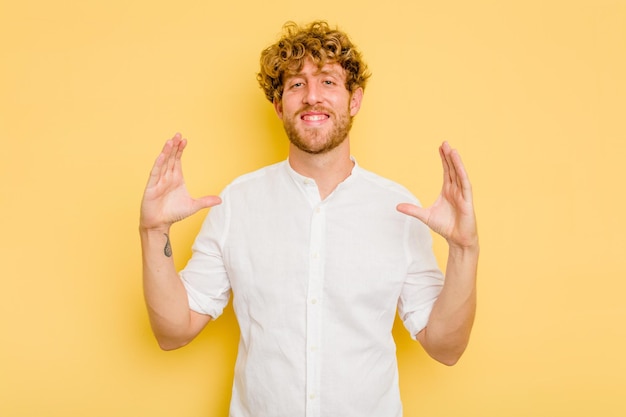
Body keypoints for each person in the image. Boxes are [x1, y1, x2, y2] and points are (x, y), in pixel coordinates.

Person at [140, 20, 478, 417]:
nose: (311, 96)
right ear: (279, 105)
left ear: (354, 100)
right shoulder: (236, 203)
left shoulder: (399, 209)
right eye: (296, 84)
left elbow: (446, 347)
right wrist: (153, 230)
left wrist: (464, 249)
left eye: (328, 82)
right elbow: (172, 332)